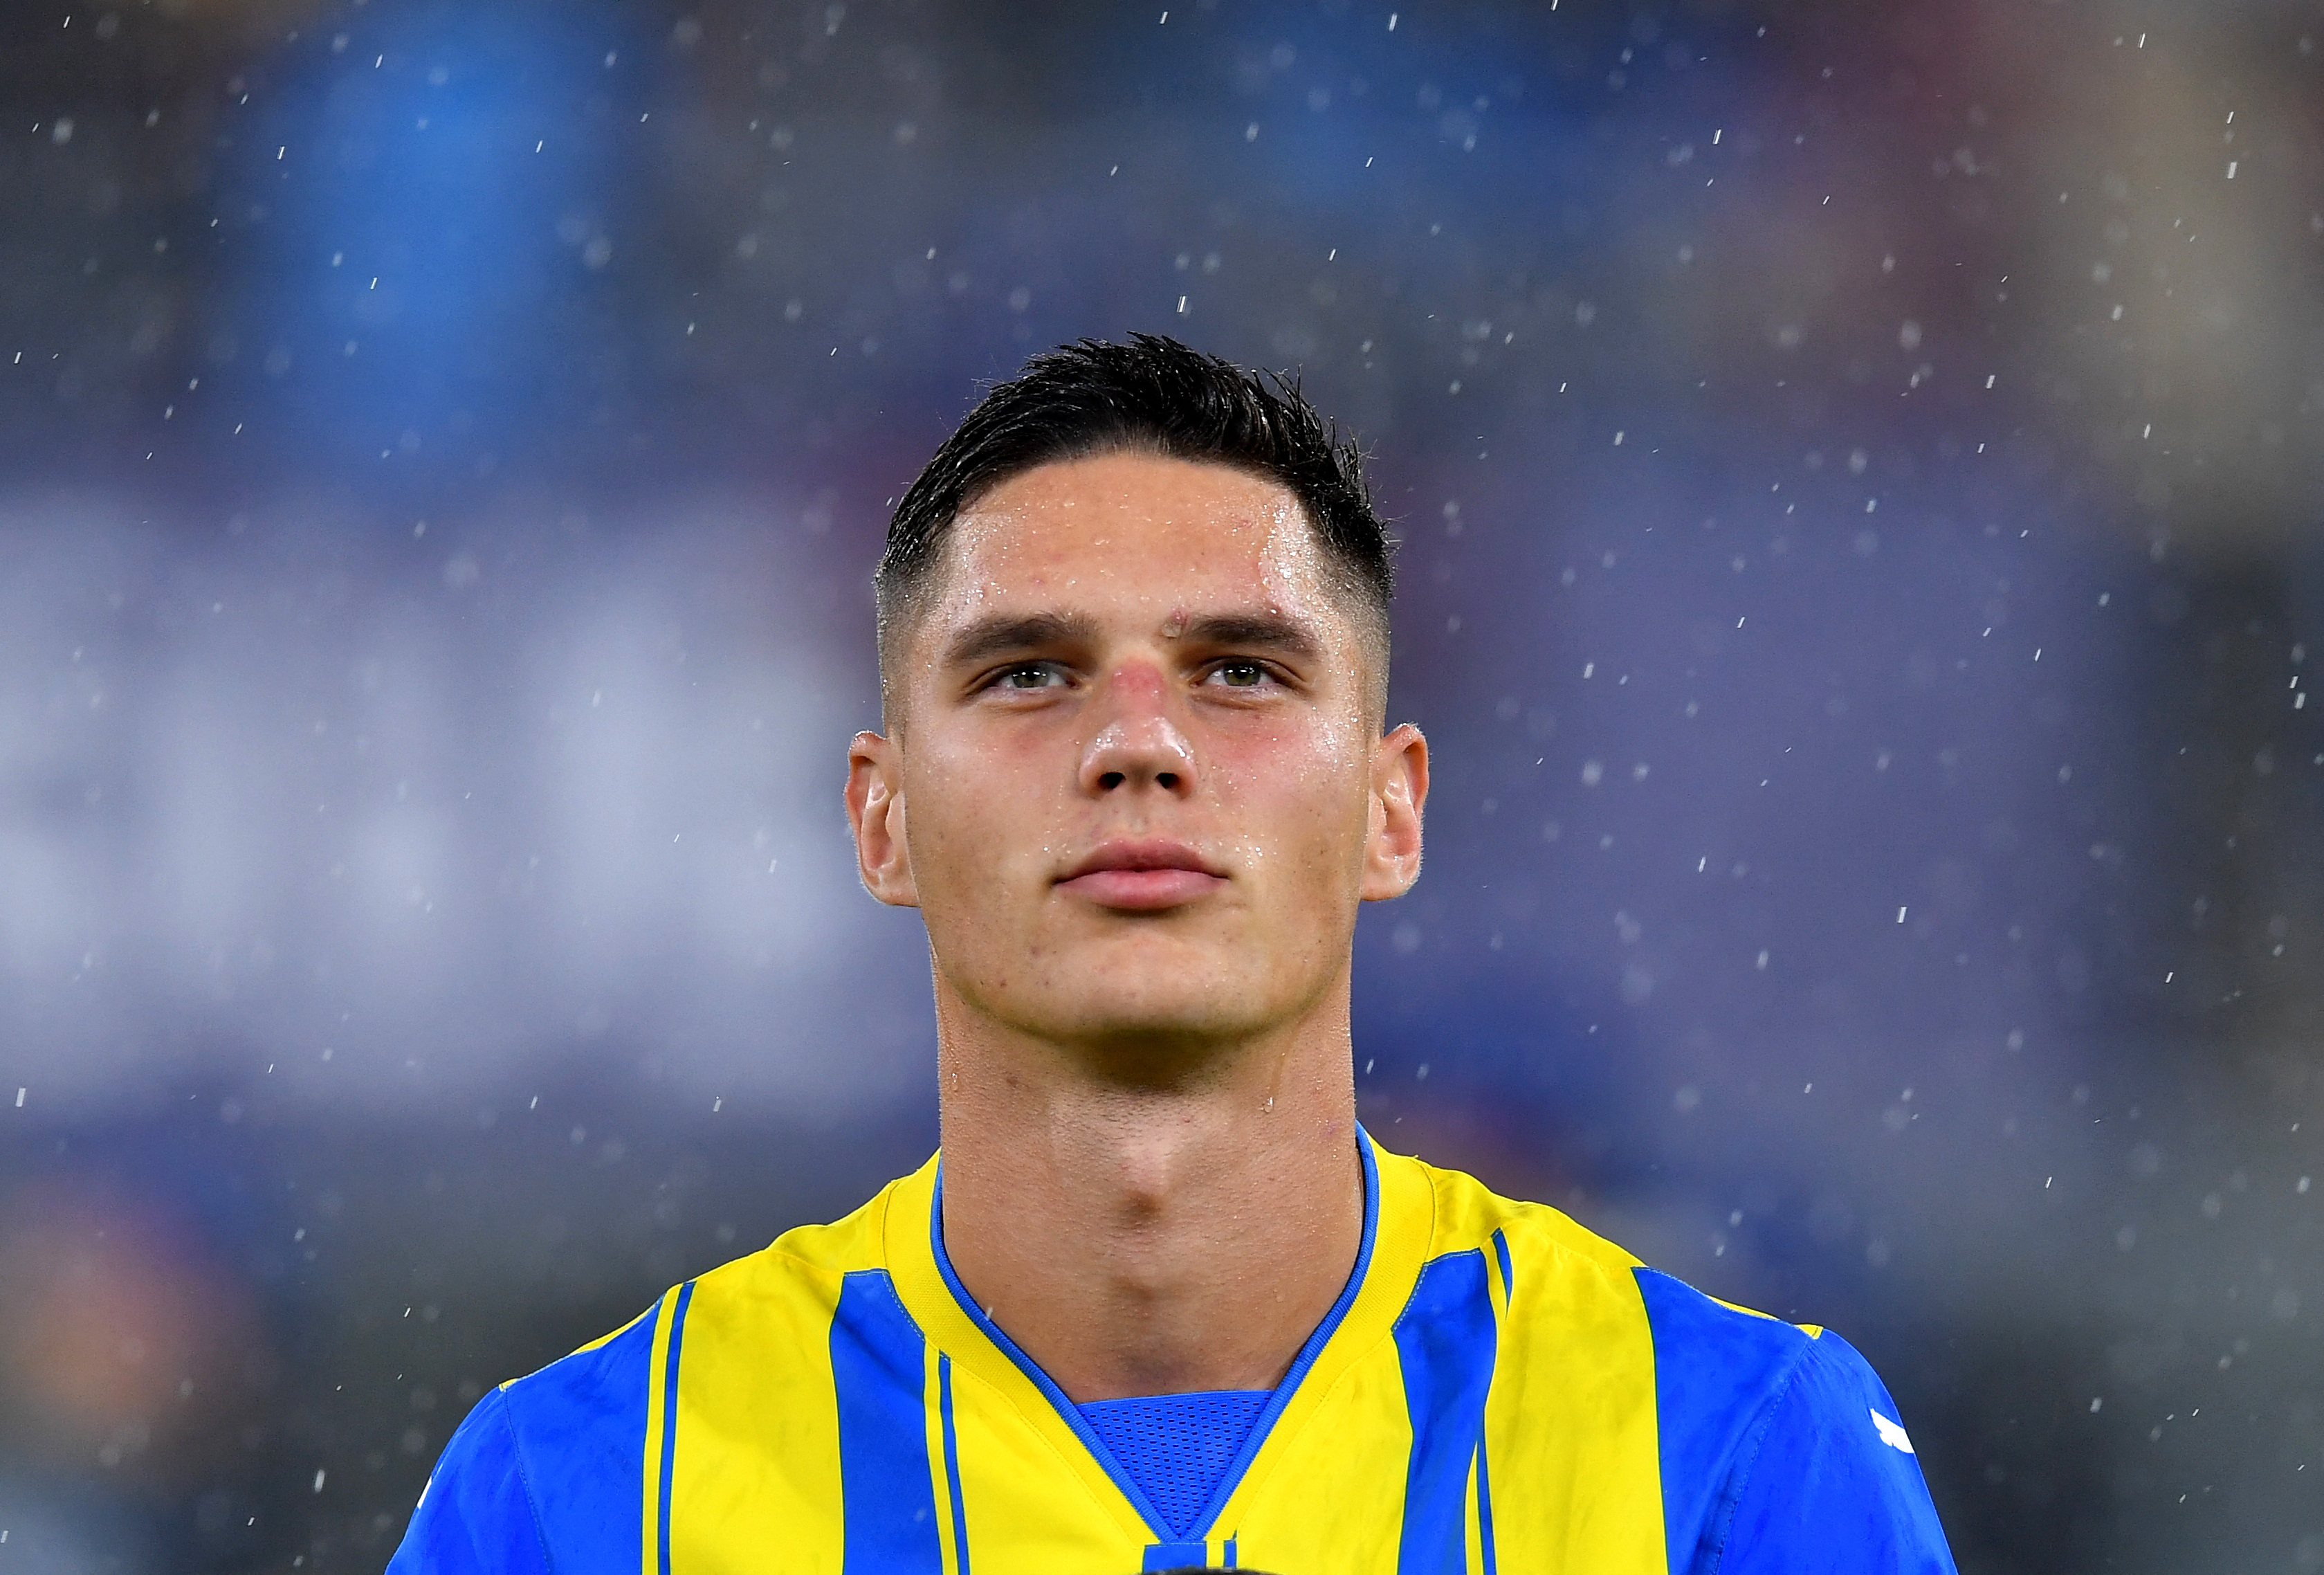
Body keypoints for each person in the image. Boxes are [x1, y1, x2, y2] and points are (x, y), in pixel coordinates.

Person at [390, 336, 1957, 1574]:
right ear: (881, 819)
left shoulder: (1733, 1458)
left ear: (1391, 808)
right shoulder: (580, 1494)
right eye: (1028, 673)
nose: (1139, 741)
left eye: (1240, 670)